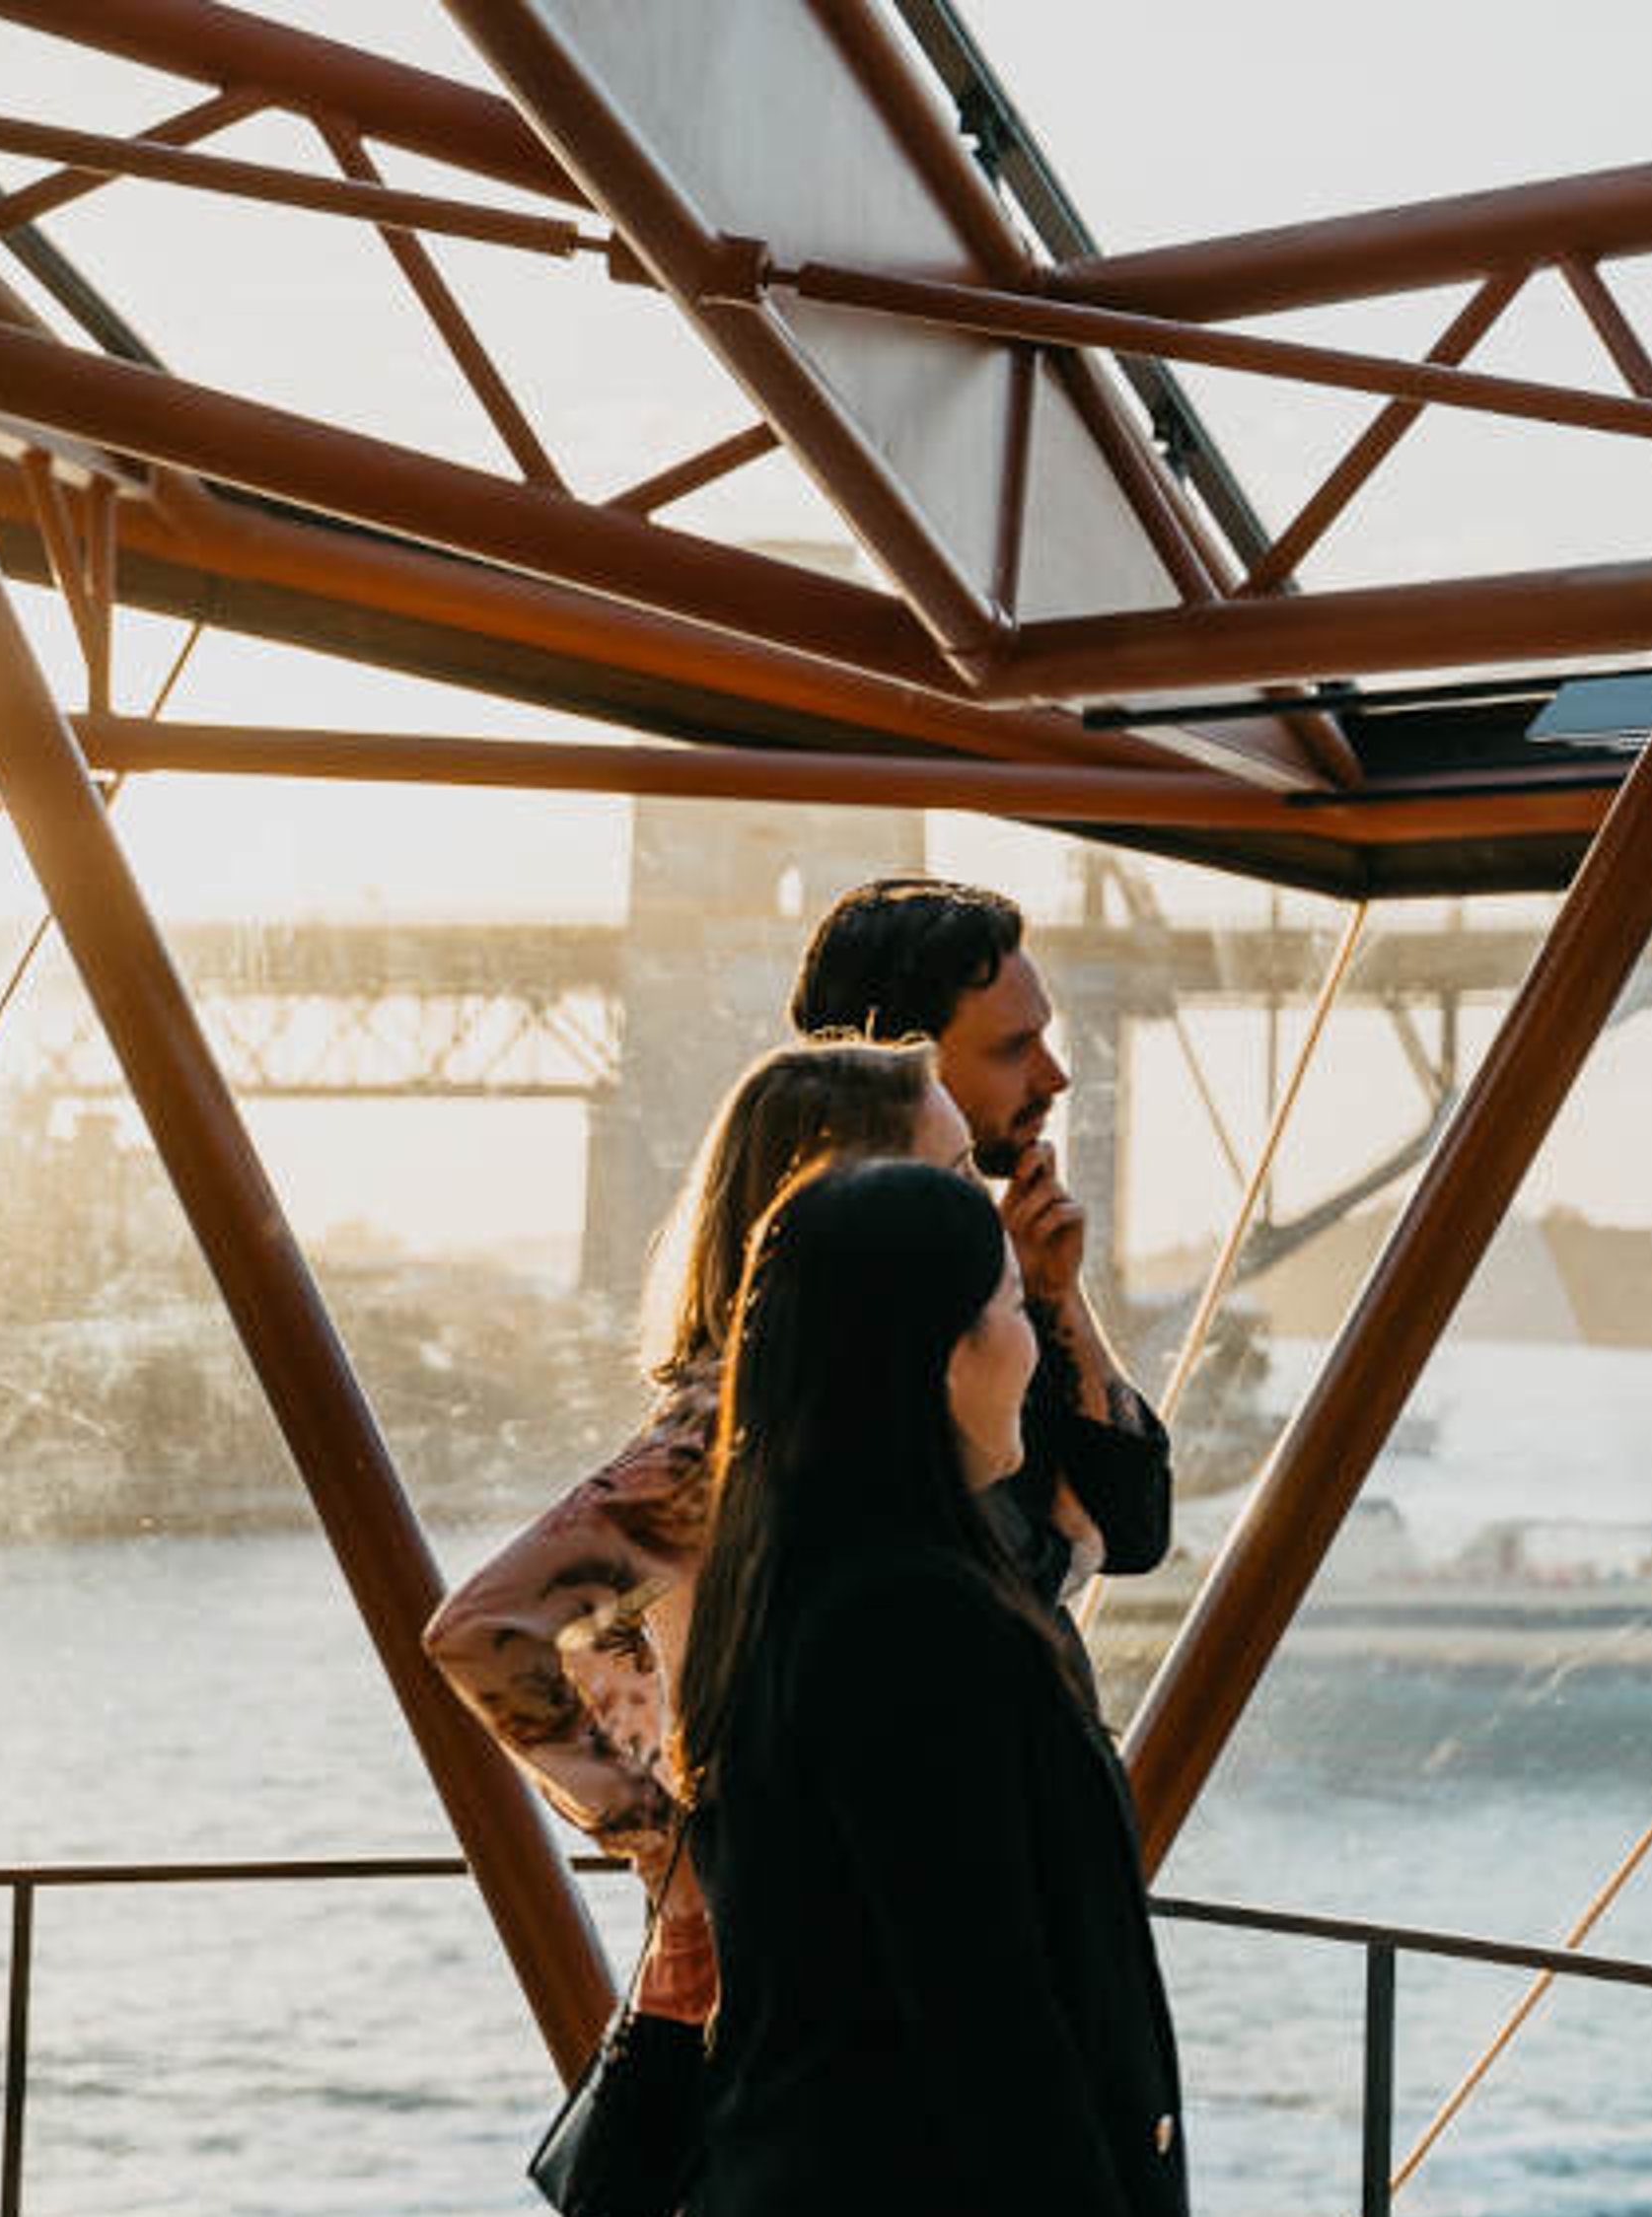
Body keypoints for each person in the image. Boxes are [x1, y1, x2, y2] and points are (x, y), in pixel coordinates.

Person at [674, 1157, 1186, 2216]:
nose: (1030, 1343)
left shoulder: (783, 1578)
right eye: (1011, 1306)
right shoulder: (918, 1622)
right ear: (941, 1359)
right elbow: (992, 2018)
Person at [425, 1037, 962, 2024]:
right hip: (791, 1968)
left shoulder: (823, 1416)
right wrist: (670, 1854)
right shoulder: (733, 1432)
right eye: (953, 1174)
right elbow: (484, 1632)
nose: (981, 1208)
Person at [790, 875, 1172, 1617]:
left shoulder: (983, 1287)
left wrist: (1055, 1294)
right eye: (1014, 1047)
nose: (1055, 1076)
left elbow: (1135, 1527)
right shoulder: (831, 1326)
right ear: (899, 1069)